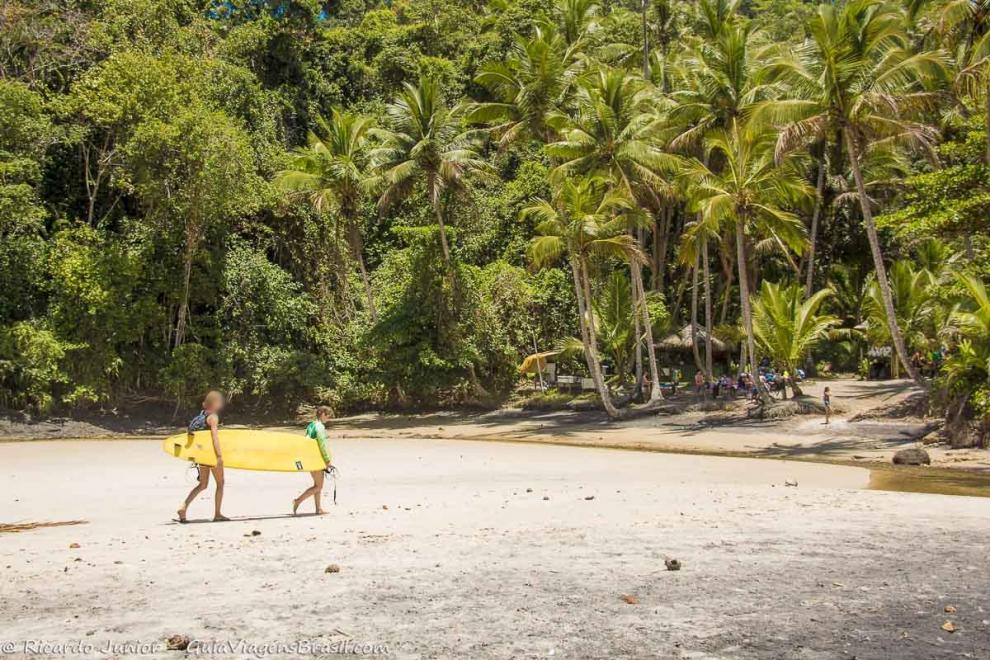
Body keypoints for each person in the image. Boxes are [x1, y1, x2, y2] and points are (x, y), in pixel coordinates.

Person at [177, 391, 228, 523]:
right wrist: (219, 456)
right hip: (211, 455)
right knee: (220, 483)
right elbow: (214, 437)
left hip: (201, 455)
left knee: (203, 484)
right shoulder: (213, 417)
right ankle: (217, 514)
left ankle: (183, 507)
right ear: (215, 403)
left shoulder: (199, 417)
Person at [293, 406, 334, 515]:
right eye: (328, 415)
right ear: (323, 414)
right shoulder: (320, 427)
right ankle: (298, 501)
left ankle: (318, 509)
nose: (328, 418)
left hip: (309, 458)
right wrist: (327, 460)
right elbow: (322, 444)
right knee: (318, 486)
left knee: (317, 485)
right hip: (317, 459)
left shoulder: (311, 425)